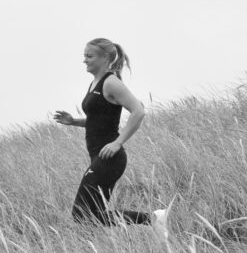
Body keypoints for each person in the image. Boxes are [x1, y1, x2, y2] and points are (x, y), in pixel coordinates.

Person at [52, 39, 167, 235]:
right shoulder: (95, 83)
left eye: (89, 56)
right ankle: (153, 221)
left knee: (81, 214)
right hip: (99, 157)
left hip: (110, 158)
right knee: (92, 216)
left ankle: (154, 218)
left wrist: (117, 142)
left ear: (105, 57)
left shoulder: (111, 82)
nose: (84, 60)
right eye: (84, 56)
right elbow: (99, 121)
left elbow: (138, 111)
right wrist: (74, 121)